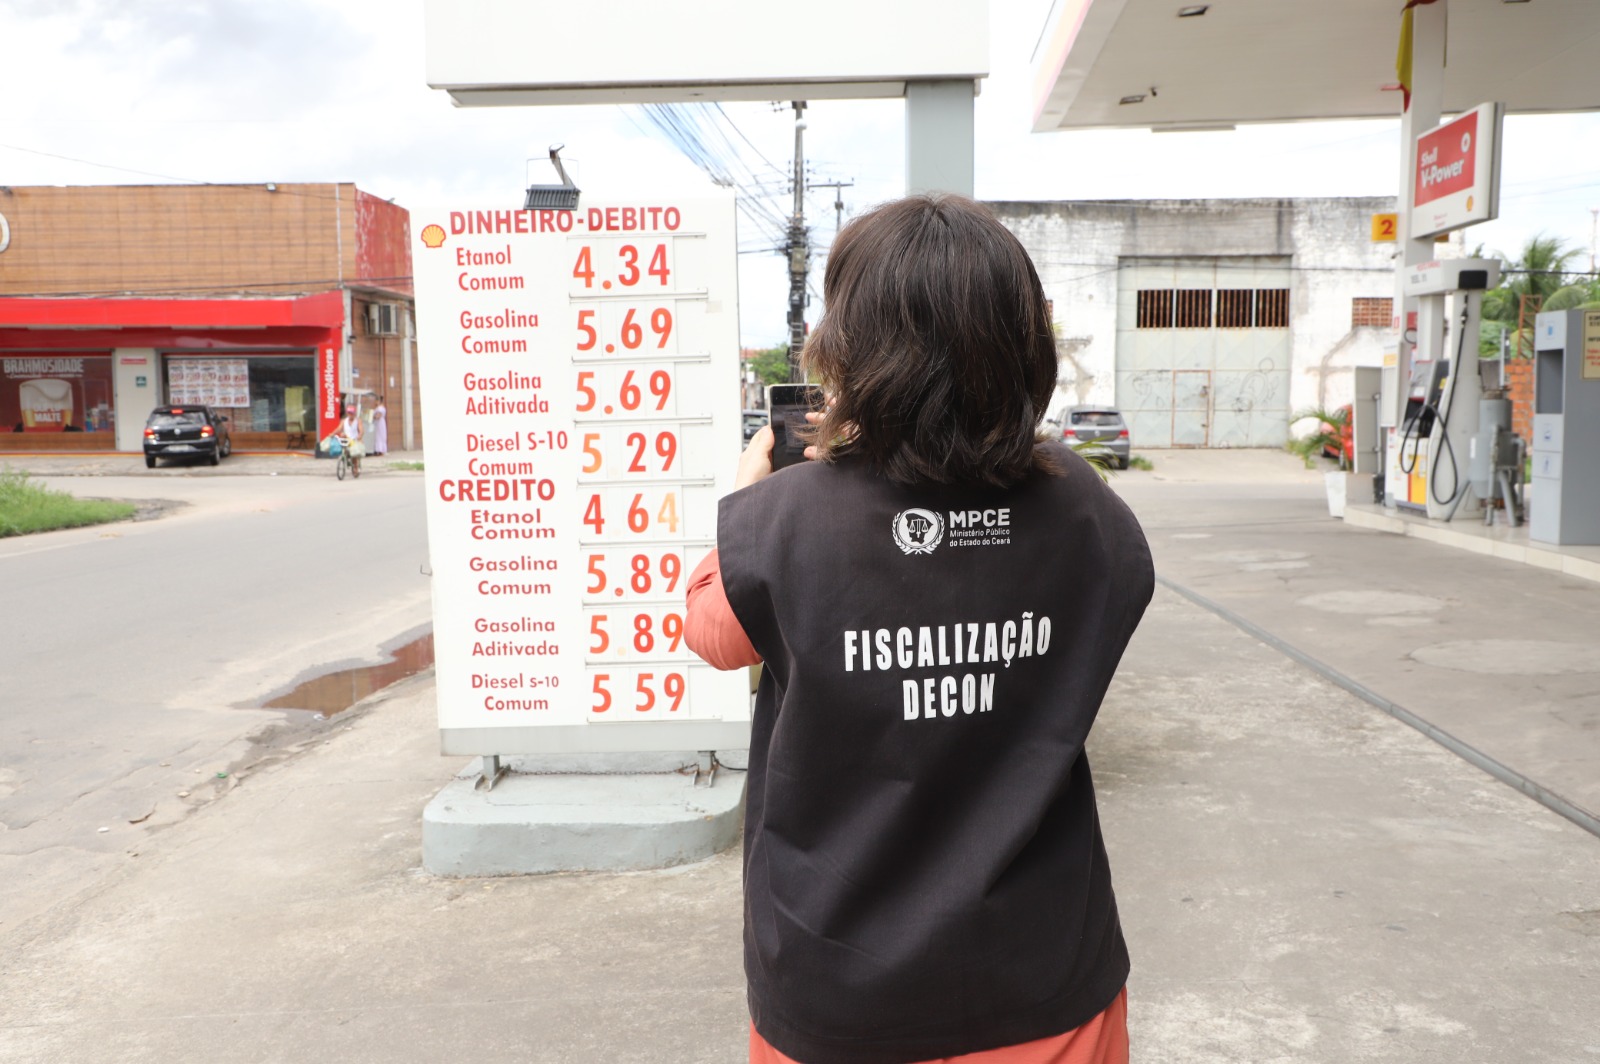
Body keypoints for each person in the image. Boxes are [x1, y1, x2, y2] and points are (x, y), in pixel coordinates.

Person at [685, 194, 1154, 1064]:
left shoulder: (787, 518)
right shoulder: (1080, 503)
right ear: (1022, 346)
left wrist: (755, 491)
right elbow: (1118, 591)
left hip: (838, 987)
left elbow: (715, 632)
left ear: (850, 348)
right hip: (1046, 977)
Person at [334, 405, 364, 474]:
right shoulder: (344, 421)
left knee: (354, 454)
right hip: (346, 440)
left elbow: (361, 430)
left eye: (352, 413)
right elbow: (339, 429)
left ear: (354, 413)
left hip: (354, 440)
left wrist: (359, 436)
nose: (350, 414)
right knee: (343, 448)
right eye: (349, 413)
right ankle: (344, 458)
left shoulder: (358, 421)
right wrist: (332, 434)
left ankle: (355, 467)